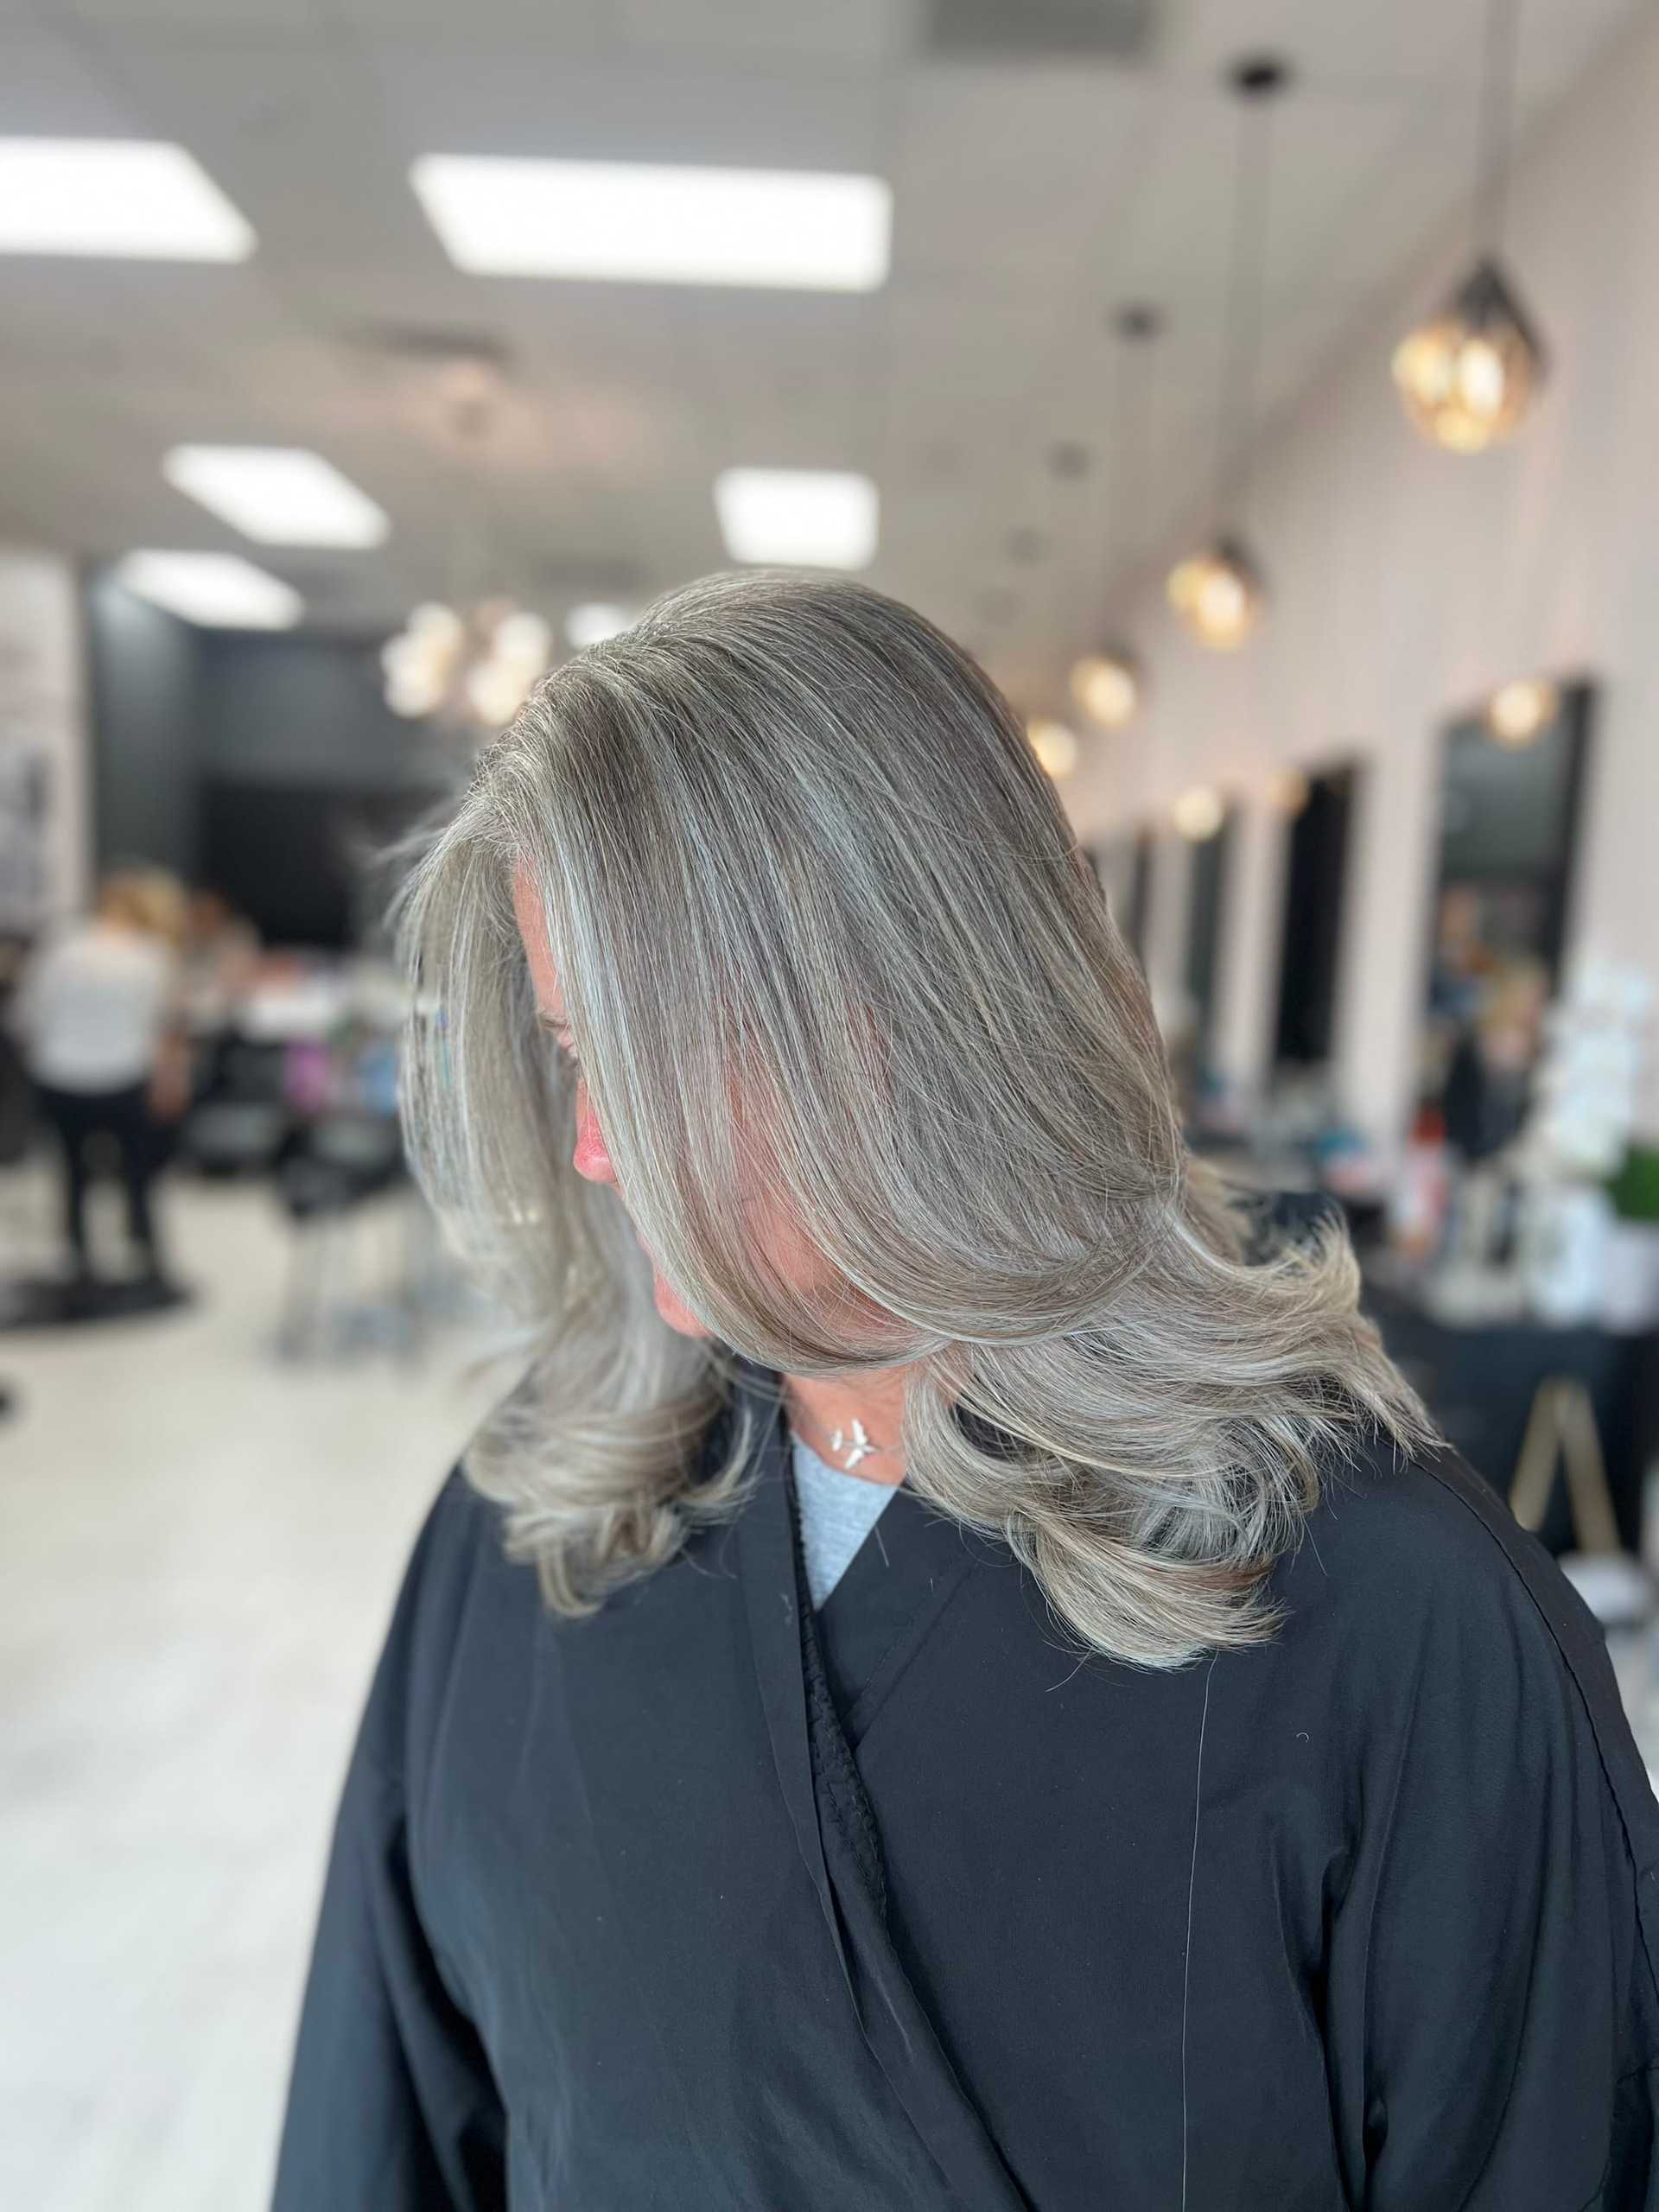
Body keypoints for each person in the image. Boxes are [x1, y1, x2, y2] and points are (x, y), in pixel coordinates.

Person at [272, 574, 1659, 2211]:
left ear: (941, 1015)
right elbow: (385, 2146)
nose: (598, 1148)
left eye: (667, 1056)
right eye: (582, 1055)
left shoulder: (1398, 1621)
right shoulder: (532, 1528)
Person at [13, 868, 190, 1289]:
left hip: (59, 1078)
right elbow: (164, 1029)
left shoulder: (61, 948)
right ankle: (146, 1251)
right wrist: (169, 1082)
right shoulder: (152, 955)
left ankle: (78, 1255)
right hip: (122, 1079)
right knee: (137, 1172)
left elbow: (27, 1015)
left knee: (73, 1171)